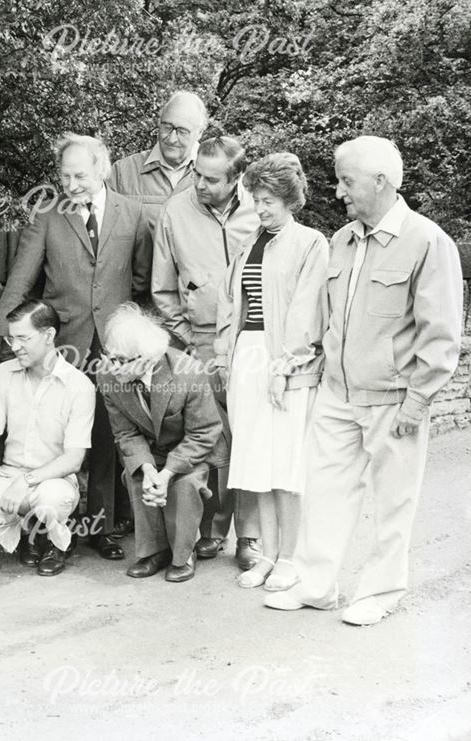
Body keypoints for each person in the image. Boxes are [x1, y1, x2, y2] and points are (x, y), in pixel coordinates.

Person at [265, 136, 463, 624]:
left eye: (346, 180)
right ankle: (316, 585)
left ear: (381, 182)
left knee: (394, 499)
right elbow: (329, 320)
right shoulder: (342, 239)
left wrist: (417, 402)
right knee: (325, 491)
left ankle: (380, 592)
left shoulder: (429, 242)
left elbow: (441, 337)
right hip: (338, 393)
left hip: (394, 399)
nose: (337, 192)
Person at [0, 133, 144, 562]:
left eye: (80, 175)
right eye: (65, 176)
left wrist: (142, 344)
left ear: (103, 169)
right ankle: (42, 535)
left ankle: (100, 529)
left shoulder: (133, 213)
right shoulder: (47, 215)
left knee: (105, 437)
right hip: (63, 342)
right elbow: (22, 279)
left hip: (113, 348)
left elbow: (141, 284)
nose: (72, 184)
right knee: (49, 437)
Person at [215, 152, 329, 590]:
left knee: (285, 463)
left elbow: (305, 311)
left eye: (267, 200)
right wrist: (227, 358)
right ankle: (262, 555)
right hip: (248, 356)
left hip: (284, 361)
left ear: (289, 199)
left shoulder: (310, 243)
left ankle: (289, 556)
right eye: (255, 199)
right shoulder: (250, 243)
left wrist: (284, 366)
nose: (259, 208)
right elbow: (232, 305)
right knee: (255, 461)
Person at [152, 134, 262, 570]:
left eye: (211, 179)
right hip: (196, 343)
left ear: (236, 179)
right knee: (208, 440)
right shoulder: (174, 212)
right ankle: (210, 532)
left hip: (252, 343)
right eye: (197, 173)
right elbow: (162, 289)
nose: (199, 184)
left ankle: (248, 537)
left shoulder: (261, 210)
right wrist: (190, 342)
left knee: (249, 438)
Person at [97, 303, 229, 583]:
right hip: (152, 449)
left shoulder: (188, 372)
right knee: (136, 478)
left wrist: (167, 473)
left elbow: (204, 432)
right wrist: (147, 470)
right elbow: (125, 433)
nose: (113, 367)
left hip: (194, 450)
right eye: (109, 356)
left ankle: (183, 554)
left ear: (147, 360)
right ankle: (153, 551)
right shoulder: (108, 373)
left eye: (122, 360)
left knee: (184, 485)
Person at [0, 299, 96, 575]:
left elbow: (73, 459)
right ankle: (31, 534)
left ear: (48, 335)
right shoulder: (3, 374)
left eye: (23, 338)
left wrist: (26, 482)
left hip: (53, 480)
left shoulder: (79, 386)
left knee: (49, 501)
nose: (15, 347)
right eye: (11, 339)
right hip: (10, 474)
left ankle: (56, 542)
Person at [107, 91, 209, 299]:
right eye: (167, 127)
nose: (171, 138)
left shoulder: (217, 176)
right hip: (135, 302)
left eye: (182, 131)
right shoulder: (123, 173)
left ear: (200, 132)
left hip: (197, 305)